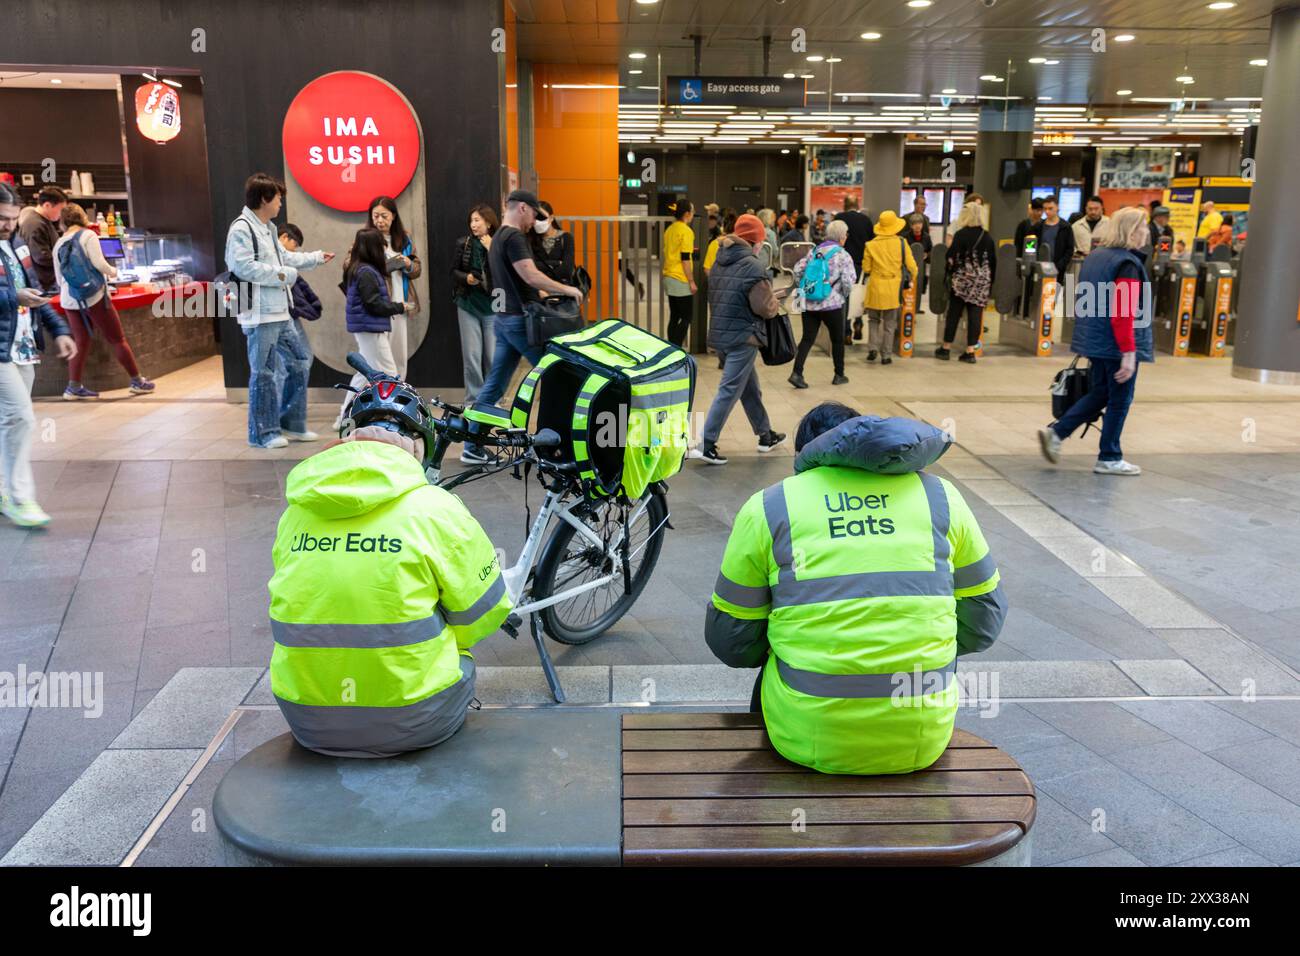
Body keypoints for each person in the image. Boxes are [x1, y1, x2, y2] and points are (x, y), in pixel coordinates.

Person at [706, 402, 1006, 775]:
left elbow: (731, 642)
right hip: (922, 740)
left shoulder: (769, 506)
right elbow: (983, 625)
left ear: (805, 455)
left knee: (777, 660)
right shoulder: (943, 498)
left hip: (803, 738)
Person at [268, 384, 512, 758]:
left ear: (349, 437)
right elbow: (485, 612)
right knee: (455, 648)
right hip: (416, 718)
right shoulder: (435, 508)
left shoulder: (296, 511)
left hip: (306, 718)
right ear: (419, 446)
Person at [469, 190, 583, 461]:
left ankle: (471, 445)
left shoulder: (498, 238)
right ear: (522, 208)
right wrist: (568, 291)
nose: (535, 221)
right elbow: (530, 275)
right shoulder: (515, 237)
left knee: (495, 384)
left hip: (505, 320)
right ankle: (553, 447)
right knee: (558, 377)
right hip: (521, 323)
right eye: (534, 214)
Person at [1038, 207, 1153, 477]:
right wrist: (1128, 352)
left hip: (1095, 339)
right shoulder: (1127, 264)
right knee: (1120, 399)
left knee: (1101, 392)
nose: (1146, 232)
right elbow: (1123, 311)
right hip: (1115, 343)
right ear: (1131, 231)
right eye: (1143, 227)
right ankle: (1110, 456)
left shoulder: (1096, 257)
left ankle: (1056, 433)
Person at [226, 173, 332, 449]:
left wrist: (316, 258)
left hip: (279, 312)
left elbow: (285, 257)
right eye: (278, 198)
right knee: (264, 372)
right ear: (264, 199)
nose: (281, 203)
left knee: (299, 361)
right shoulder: (241, 228)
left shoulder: (268, 228)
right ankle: (263, 433)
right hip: (260, 314)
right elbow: (242, 266)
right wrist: (283, 276)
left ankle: (291, 423)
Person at [0, 181, 76, 527]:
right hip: (3, 352)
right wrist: (14, 298)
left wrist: (59, 329)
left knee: (10, 422)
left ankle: (5, 490)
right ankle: (21, 498)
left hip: (23, 348)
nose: (7, 224)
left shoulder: (15, 246)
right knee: (21, 418)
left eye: (11, 218)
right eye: (1, 218)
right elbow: (18, 295)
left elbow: (35, 291)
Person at [698, 213, 785, 465]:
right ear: (756, 241)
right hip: (744, 337)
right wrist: (774, 301)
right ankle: (705, 442)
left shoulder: (719, 260)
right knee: (729, 390)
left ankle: (765, 434)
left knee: (749, 388)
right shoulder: (754, 266)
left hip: (722, 334)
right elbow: (764, 308)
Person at [53, 203, 154, 399]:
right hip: (94, 296)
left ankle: (73, 387)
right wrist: (116, 272)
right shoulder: (88, 235)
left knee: (80, 342)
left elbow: (59, 279)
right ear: (82, 217)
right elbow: (100, 264)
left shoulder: (59, 242)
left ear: (63, 222)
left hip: (70, 298)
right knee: (117, 339)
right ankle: (137, 381)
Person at [338, 228, 414, 420]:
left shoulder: (361, 268)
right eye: (381, 245)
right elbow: (374, 304)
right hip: (370, 328)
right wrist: (399, 307)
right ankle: (393, 416)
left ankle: (345, 416)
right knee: (388, 373)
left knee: (364, 373)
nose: (383, 249)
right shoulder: (367, 272)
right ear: (373, 247)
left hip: (366, 327)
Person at [789, 219, 854, 389]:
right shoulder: (843, 255)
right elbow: (848, 280)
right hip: (832, 305)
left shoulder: (814, 251)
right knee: (837, 340)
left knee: (807, 338)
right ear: (841, 237)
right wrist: (842, 295)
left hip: (810, 304)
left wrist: (805, 288)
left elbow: (797, 270)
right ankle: (839, 375)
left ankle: (797, 373)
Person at [364, 196, 421, 380]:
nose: (379, 220)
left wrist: (407, 264)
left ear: (394, 216)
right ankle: (376, 397)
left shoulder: (404, 239)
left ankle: (397, 397)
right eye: (375, 216)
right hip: (378, 305)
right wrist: (380, 264)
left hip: (400, 304)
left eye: (384, 216)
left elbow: (417, 268)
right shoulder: (365, 237)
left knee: (398, 354)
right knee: (377, 357)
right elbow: (350, 264)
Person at [936, 202, 995, 364]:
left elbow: (950, 255)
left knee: (954, 314)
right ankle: (970, 352)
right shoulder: (987, 236)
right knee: (975, 317)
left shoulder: (961, 234)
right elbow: (992, 262)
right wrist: (990, 284)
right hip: (981, 282)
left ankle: (946, 348)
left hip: (962, 282)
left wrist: (951, 269)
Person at [451, 204, 497, 405]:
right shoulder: (464, 243)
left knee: (493, 356)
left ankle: (492, 398)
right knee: (471, 356)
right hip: (468, 303)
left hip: (493, 306)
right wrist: (467, 278)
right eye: (472, 220)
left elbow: (506, 274)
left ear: (488, 222)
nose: (473, 224)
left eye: (478, 220)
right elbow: (453, 272)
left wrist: (492, 249)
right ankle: (473, 400)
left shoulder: (498, 244)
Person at [859, 210, 918, 366]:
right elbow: (912, 265)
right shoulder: (901, 243)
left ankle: (872, 348)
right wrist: (913, 276)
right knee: (890, 323)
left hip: (875, 287)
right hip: (893, 287)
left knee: (873, 320)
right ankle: (886, 355)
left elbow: (866, 268)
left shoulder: (870, 245)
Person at [277, 223, 321, 428]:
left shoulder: (277, 254)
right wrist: (317, 258)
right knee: (292, 364)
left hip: (286, 316)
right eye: (295, 244)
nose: (295, 249)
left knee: (297, 362)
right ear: (284, 237)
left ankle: (288, 417)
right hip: (278, 317)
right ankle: (286, 418)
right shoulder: (274, 253)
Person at [662, 199, 697, 346]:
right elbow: (685, 258)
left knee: (675, 316)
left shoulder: (670, 229)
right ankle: (676, 349)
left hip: (669, 276)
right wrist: (691, 281)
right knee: (687, 317)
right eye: (693, 212)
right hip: (681, 278)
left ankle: (671, 347)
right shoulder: (686, 231)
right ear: (687, 214)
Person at [17, 186, 66, 291]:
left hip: (48, 281)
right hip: (42, 284)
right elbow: (41, 257)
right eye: (60, 209)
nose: (61, 214)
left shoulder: (44, 221)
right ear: (47, 205)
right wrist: (66, 261)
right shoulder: (34, 224)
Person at [1027, 194, 1075, 285]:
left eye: (1050, 208)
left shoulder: (1065, 227)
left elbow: (1069, 249)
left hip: (1057, 269)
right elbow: (1030, 246)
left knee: (1055, 295)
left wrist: (1060, 265)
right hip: (1040, 267)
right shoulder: (1037, 227)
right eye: (1045, 209)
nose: (1047, 211)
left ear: (1057, 207)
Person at [530, 200, 575, 284]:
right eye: (535, 218)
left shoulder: (566, 238)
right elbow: (530, 267)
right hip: (539, 291)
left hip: (562, 291)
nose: (537, 222)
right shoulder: (530, 239)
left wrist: (542, 275)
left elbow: (567, 270)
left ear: (551, 218)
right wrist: (556, 263)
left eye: (542, 218)